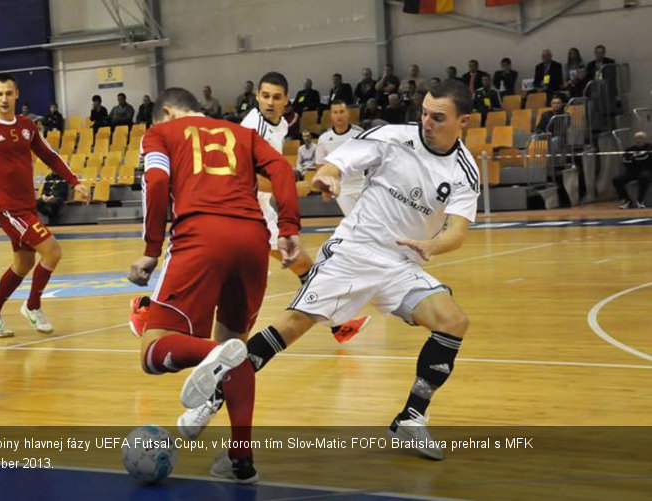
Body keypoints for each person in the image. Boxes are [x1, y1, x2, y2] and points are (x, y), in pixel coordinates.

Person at [185, 80, 481, 462]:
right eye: (424, 112)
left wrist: (431, 246)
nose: (426, 122)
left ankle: (411, 418)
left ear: (465, 121)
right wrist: (329, 174)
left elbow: (457, 232)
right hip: (353, 252)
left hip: (402, 262)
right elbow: (337, 162)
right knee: (289, 328)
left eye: (438, 117)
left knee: (453, 321)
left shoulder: (464, 170)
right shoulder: (391, 137)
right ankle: (211, 398)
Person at [128, 86, 301, 483]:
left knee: (152, 349)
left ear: (167, 113)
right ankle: (241, 461)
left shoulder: (160, 134)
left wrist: (152, 249)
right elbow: (282, 171)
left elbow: (155, 182)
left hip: (200, 237)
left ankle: (215, 353)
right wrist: (288, 227)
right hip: (253, 241)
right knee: (236, 354)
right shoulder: (243, 134)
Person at [130, 74, 369, 343]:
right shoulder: (251, 127)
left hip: (253, 214)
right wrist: (303, 187)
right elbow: (250, 178)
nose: (270, 102)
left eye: (276, 97)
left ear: (286, 102)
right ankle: (151, 312)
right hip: (243, 210)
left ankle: (336, 322)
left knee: (294, 265)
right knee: (288, 266)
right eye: (265, 96)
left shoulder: (277, 126)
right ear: (256, 97)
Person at [0, 73, 89, 337]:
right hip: (10, 210)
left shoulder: (27, 126)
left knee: (23, 264)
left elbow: (49, 155)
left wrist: (73, 180)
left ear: (17, 94)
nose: (4, 98)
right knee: (53, 252)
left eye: (8, 93)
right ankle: (33, 306)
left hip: (28, 206)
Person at [315, 100, 364, 216]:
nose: (339, 115)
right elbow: (320, 165)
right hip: (342, 188)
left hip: (362, 184)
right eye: (335, 112)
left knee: (366, 220)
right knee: (352, 219)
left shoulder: (359, 134)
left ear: (347, 113)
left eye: (342, 112)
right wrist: (325, 188)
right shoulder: (324, 138)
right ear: (331, 116)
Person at [613, 131, 651, 209]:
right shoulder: (630, 149)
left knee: (644, 177)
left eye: (640, 138)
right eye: (636, 138)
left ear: (644, 139)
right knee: (616, 179)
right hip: (632, 171)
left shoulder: (650, 148)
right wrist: (627, 160)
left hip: (646, 170)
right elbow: (625, 162)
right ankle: (627, 201)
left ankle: (640, 201)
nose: (638, 140)